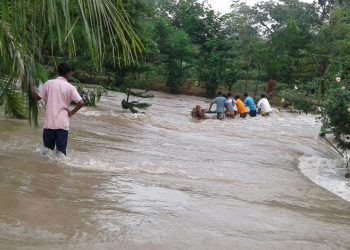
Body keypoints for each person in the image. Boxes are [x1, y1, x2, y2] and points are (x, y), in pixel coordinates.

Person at [34, 62, 84, 155]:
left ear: (58, 72)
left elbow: (37, 98)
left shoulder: (49, 83)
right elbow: (81, 103)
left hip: (49, 123)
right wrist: (71, 113)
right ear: (68, 73)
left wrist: (31, 89)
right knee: (61, 154)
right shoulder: (70, 87)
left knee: (47, 153)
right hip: (62, 124)